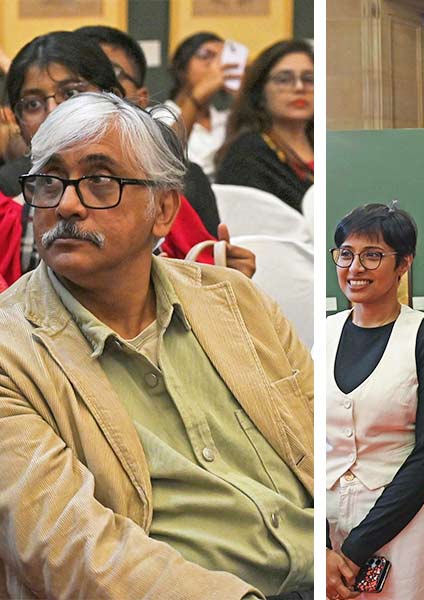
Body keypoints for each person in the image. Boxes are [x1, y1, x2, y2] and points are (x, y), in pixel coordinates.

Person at [0, 91, 313, 599]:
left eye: (100, 181)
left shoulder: (233, 299)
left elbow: (323, 438)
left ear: (164, 208)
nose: (68, 203)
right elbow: (73, 551)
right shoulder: (12, 352)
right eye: (49, 182)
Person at [0, 31, 251, 284]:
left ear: (115, 100)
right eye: (32, 104)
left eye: (72, 94)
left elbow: (208, 283)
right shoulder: (10, 199)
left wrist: (225, 282)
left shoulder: (161, 189)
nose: (54, 113)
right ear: (17, 121)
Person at [325, 203, 424, 600]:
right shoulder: (325, 334)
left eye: (372, 256)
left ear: (404, 263)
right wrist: (324, 549)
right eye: (346, 254)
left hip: (403, 529)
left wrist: (351, 552)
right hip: (328, 529)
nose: (355, 267)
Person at [76, 24, 221, 236]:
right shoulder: (30, 179)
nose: (94, 88)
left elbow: (206, 258)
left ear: (141, 98)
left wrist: (225, 266)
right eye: (78, 80)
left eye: (113, 74)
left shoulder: (189, 181)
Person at [216, 40, 314, 213]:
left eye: (309, 79)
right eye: (284, 79)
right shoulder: (246, 155)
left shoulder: (330, 147)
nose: (299, 87)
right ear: (260, 93)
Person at [167, 32, 237, 178]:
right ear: (182, 68)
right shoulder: (156, 116)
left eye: (223, 59)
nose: (215, 66)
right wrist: (198, 96)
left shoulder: (229, 120)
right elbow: (165, 153)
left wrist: (243, 90)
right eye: (206, 56)